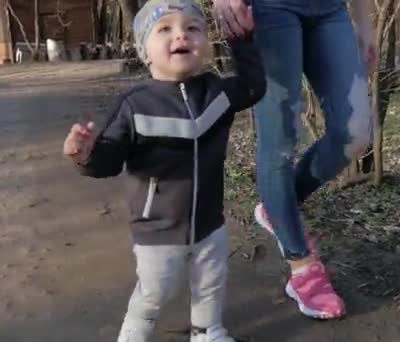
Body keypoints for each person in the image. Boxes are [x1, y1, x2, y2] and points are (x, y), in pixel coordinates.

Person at [62, 0, 265, 340]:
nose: (180, 35)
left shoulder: (217, 91)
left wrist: (242, 39)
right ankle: (133, 333)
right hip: (157, 229)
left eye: (193, 27)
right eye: (165, 29)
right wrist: (85, 154)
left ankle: (207, 330)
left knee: (211, 280)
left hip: (209, 221)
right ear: (145, 50)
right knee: (155, 291)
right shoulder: (134, 105)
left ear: (205, 43)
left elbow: (254, 87)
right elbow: (108, 162)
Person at [214, 0, 377, 319]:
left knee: (355, 131)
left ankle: (276, 209)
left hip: (331, 10)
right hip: (271, 9)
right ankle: (301, 265)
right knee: (280, 140)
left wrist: (364, 23)